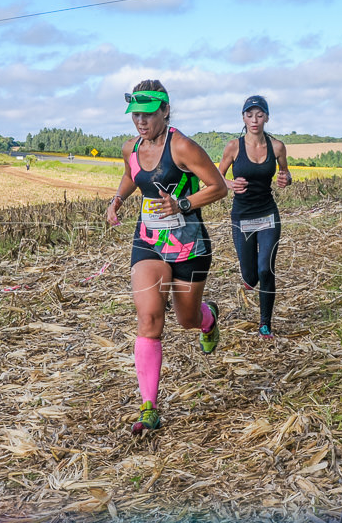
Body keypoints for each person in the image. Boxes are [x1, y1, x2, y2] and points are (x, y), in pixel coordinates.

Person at [105, 79, 228, 435]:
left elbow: (217, 186)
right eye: (135, 115)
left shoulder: (184, 146)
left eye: (148, 114)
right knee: (149, 320)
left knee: (185, 320)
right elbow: (132, 175)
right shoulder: (131, 146)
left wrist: (183, 204)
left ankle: (208, 320)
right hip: (148, 242)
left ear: (165, 110)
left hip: (188, 245)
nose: (141, 121)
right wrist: (118, 201)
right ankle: (149, 409)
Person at [218, 95, 291, 339]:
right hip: (242, 216)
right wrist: (230, 184)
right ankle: (250, 279)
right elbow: (216, 178)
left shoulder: (277, 146)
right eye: (250, 115)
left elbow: (285, 172)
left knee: (265, 270)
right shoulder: (233, 147)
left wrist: (286, 179)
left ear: (267, 117)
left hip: (268, 214)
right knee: (249, 274)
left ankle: (265, 324)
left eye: (260, 115)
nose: (255, 120)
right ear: (243, 118)